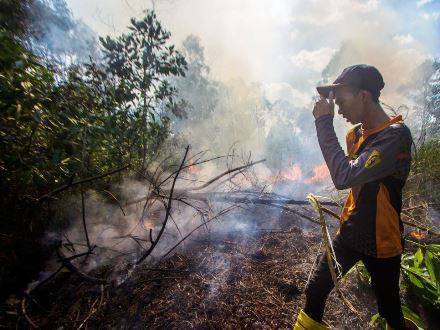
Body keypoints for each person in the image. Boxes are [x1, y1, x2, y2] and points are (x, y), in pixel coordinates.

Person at [293, 64, 417, 330]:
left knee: (389, 310)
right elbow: (354, 178)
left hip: (381, 241)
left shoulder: (395, 136)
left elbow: (344, 177)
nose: (339, 111)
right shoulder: (355, 135)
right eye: (335, 105)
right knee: (315, 289)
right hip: (349, 232)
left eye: (342, 102)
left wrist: (323, 122)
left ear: (363, 96)